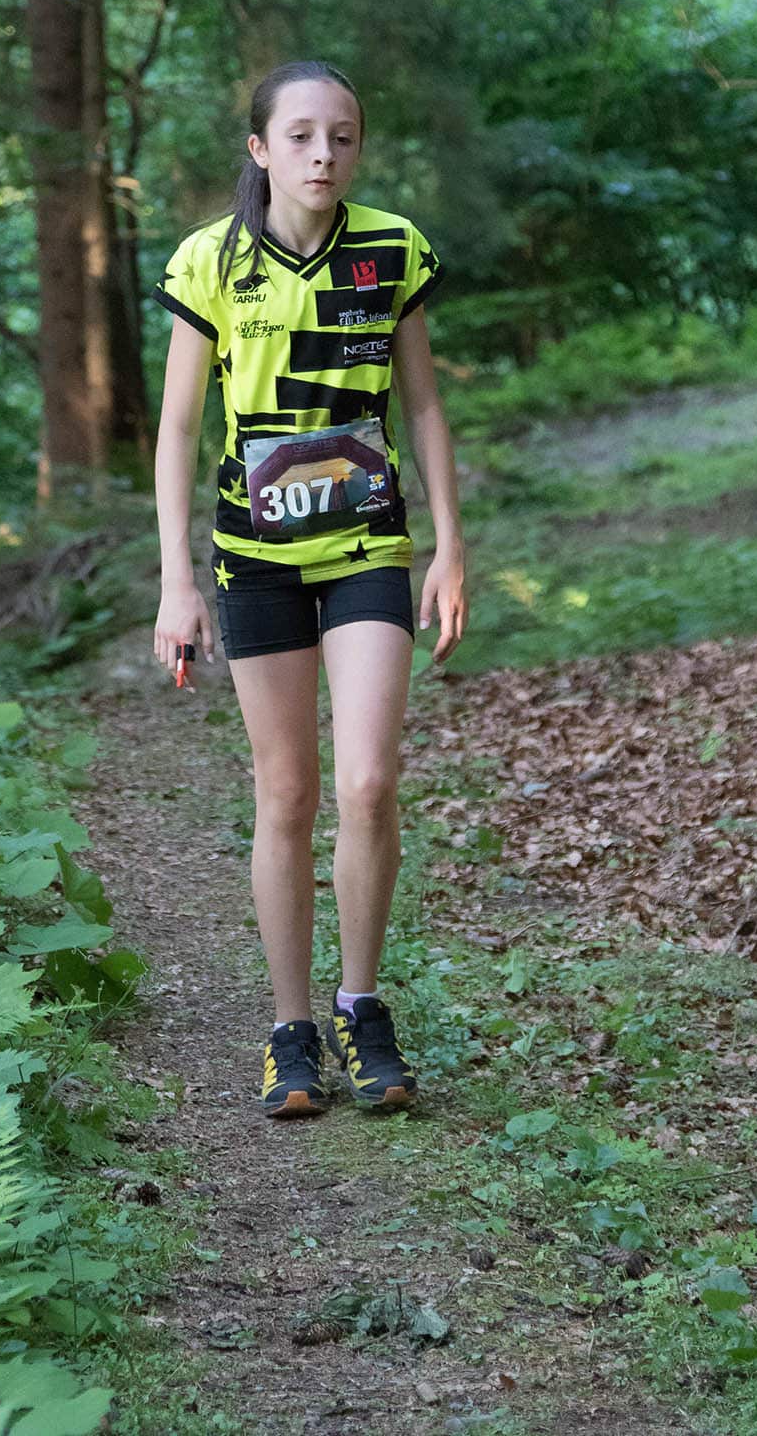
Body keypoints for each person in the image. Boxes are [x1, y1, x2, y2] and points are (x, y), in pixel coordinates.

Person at [152, 59, 467, 1118]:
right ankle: (291, 1032)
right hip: (255, 561)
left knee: (368, 782)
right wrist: (175, 583)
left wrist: (451, 547)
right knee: (286, 793)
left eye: (341, 136)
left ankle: (360, 1008)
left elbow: (424, 407)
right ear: (259, 148)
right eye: (299, 136)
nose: (322, 155)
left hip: (369, 547)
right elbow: (178, 430)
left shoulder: (392, 249)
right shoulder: (210, 261)